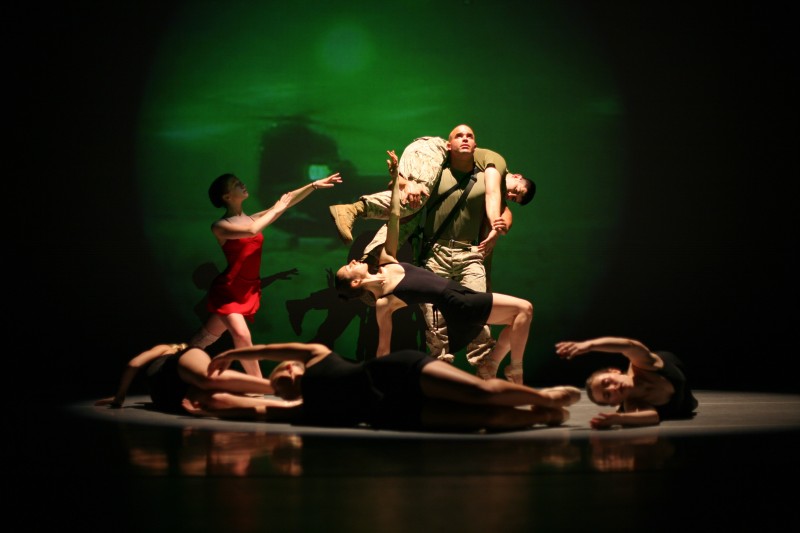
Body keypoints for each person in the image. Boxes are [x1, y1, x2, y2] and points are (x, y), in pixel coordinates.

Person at [334, 149, 534, 384]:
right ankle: (512, 373)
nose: (353, 261)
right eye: (348, 268)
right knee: (523, 310)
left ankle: (494, 365)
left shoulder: (388, 261)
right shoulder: (383, 303)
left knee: (521, 314)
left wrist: (399, 176)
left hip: (461, 297)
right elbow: (383, 347)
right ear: (356, 282)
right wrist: (378, 380)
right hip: (459, 301)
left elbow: (396, 216)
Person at [180, 342, 581, 432]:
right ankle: (537, 416)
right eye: (278, 386)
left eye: (280, 374)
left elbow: (277, 349)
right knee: (483, 420)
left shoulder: (317, 356)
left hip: (397, 373)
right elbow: (257, 410)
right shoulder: (304, 410)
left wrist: (237, 352)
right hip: (394, 413)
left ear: (290, 367)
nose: (280, 381)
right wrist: (212, 407)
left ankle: (542, 397)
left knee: (482, 393)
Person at [187, 171, 342, 377]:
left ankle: (174, 360)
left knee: (205, 338)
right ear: (226, 197)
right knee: (242, 336)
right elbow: (252, 230)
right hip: (229, 290)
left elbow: (286, 201)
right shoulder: (220, 226)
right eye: (235, 183)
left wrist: (313, 185)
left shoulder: (252, 218)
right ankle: (259, 386)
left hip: (248, 288)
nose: (242, 183)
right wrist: (276, 208)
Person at [328, 134, 534, 256]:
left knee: (408, 220)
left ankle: (371, 262)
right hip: (433, 151)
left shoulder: (498, 192)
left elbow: (504, 214)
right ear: (516, 176)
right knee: (418, 196)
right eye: (516, 190)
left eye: (514, 198)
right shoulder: (497, 165)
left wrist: (499, 230)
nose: (510, 194)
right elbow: (492, 194)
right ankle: (353, 210)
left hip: (432, 168)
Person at [555, 337, 699, 429]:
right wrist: (619, 418)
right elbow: (652, 416)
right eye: (607, 395)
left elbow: (630, 346)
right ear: (614, 403)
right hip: (686, 401)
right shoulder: (633, 404)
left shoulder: (642, 365)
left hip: (678, 367)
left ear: (615, 371)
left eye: (607, 382)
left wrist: (589, 345)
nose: (613, 388)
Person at [95, 343, 276, 414]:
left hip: (167, 392)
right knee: (214, 392)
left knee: (209, 381)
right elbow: (133, 365)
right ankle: (288, 401)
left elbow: (134, 364)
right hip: (172, 390)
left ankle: (281, 388)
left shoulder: (168, 349)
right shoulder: (169, 352)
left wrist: (120, 396)